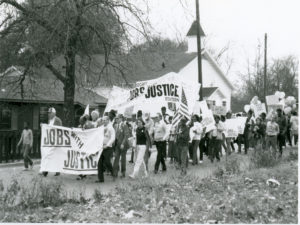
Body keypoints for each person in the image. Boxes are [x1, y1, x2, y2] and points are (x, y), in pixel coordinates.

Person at [42, 107, 62, 177]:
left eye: (50, 113)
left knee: (55, 156)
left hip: (56, 141)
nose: (48, 115)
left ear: (54, 113)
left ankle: (54, 170)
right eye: (48, 113)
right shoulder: (49, 120)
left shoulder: (58, 120)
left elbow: (60, 130)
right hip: (50, 141)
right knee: (49, 155)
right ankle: (46, 170)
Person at [96, 116, 115, 183]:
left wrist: (107, 145)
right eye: (102, 120)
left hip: (108, 147)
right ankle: (100, 179)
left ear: (108, 120)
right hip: (101, 147)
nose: (103, 122)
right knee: (99, 163)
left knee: (107, 162)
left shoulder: (111, 128)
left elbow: (113, 138)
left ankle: (113, 173)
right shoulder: (101, 128)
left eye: (104, 120)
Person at [113, 114, 130, 178]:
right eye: (116, 119)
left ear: (121, 119)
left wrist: (123, 143)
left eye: (117, 118)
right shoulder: (115, 125)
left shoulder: (124, 125)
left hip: (123, 144)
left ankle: (123, 172)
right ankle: (115, 172)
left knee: (123, 158)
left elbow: (126, 135)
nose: (116, 120)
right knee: (116, 157)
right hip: (117, 144)